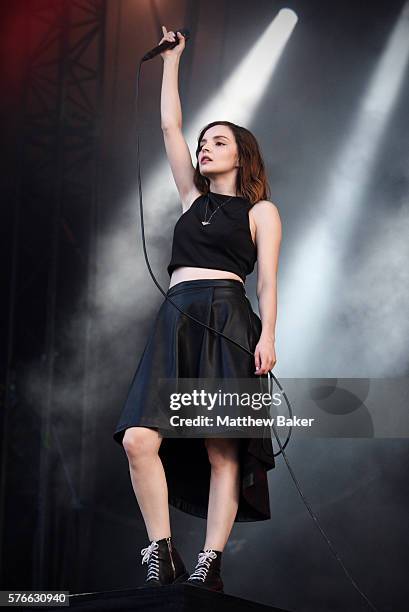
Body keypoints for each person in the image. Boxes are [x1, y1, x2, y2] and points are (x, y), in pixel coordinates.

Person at [113, 26, 282, 593]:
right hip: (178, 316)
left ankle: (209, 560)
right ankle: (160, 550)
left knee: (220, 445)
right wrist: (172, 61)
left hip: (229, 319)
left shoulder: (261, 212)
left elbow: (268, 285)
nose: (205, 147)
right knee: (139, 438)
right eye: (203, 140)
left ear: (241, 155)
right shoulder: (192, 198)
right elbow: (168, 126)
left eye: (218, 141)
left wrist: (270, 336)